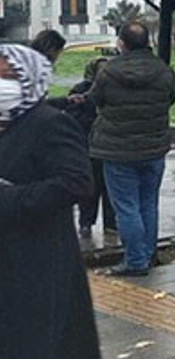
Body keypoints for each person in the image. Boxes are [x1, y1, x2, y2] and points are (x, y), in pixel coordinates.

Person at [0, 44, 112, 359]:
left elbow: (75, 182)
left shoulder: (50, 124)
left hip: (36, 265)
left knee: (33, 358)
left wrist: (9, 198)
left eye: (8, 75)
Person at [90, 22, 175, 277]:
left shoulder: (108, 71)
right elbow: (171, 98)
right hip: (154, 147)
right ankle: (148, 255)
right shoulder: (163, 70)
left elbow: (96, 99)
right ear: (147, 42)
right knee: (148, 204)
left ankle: (136, 261)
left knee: (127, 207)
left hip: (118, 150)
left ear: (122, 43)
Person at [65, 57, 116, 241]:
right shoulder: (80, 90)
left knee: (109, 188)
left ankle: (111, 224)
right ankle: (86, 223)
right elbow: (73, 116)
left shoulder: (112, 88)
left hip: (105, 145)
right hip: (89, 145)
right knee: (90, 188)